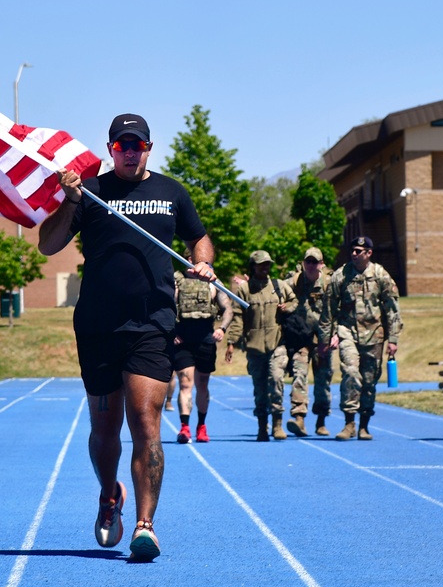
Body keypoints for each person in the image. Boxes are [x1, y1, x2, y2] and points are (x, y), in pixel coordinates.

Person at [38, 113, 214, 562]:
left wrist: (204, 262)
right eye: (121, 146)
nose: (129, 152)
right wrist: (67, 199)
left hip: (152, 324)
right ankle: (108, 493)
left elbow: (200, 238)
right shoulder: (90, 192)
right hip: (97, 326)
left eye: (137, 145)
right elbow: (48, 244)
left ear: (149, 148)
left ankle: (145, 524)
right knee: (104, 428)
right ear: (111, 148)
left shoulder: (172, 192)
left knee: (146, 422)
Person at [318, 236, 402, 441]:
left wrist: (393, 339)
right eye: (352, 250)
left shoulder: (381, 276)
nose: (354, 254)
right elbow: (328, 309)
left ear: (368, 253)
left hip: (375, 334)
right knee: (351, 373)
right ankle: (349, 423)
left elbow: (392, 309)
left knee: (369, 380)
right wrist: (325, 338)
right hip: (348, 332)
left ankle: (364, 424)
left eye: (358, 251)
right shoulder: (341, 275)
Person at [225, 250, 296, 441]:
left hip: (277, 344)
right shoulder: (244, 290)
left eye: (268, 264)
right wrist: (231, 342)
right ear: (253, 266)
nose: (265, 267)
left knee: (277, 380)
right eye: (261, 264)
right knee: (260, 389)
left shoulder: (278, 286)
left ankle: (278, 424)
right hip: (255, 347)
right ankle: (262, 426)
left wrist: (287, 307)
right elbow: (238, 318)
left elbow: (294, 301)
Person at [271, 247, 334, 437]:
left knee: (323, 380)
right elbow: (274, 289)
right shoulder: (294, 281)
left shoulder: (329, 283)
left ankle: (321, 421)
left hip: (323, 340)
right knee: (299, 375)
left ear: (321, 264)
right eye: (308, 261)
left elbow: (337, 310)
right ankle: (299, 419)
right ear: (303, 263)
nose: (311, 265)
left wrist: (334, 335)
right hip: (302, 338)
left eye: (315, 262)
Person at [172, 262, 233, 444]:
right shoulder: (176, 281)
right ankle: (184, 428)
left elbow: (227, 308)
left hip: (205, 339)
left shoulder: (213, 281)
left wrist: (222, 329)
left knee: (202, 385)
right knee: (185, 383)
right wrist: (171, 332)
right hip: (182, 340)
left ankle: (201, 426)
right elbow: (165, 306)